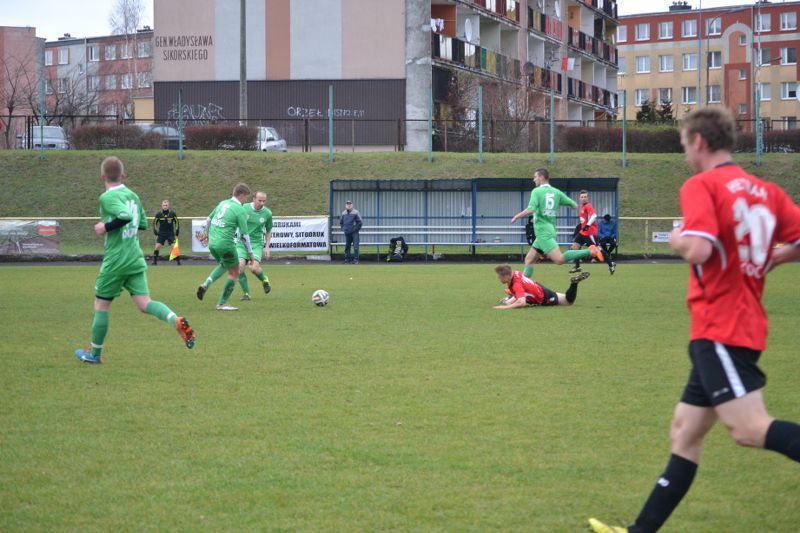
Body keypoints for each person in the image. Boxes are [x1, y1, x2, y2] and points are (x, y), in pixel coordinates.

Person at [589, 108, 800, 533]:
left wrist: (677, 239)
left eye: (684, 143)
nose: (685, 153)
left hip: (722, 329)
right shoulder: (766, 191)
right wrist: (771, 260)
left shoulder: (702, 185)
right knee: (685, 431)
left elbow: (700, 249)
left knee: (748, 429)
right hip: (736, 326)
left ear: (699, 141)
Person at [74, 157, 195, 364]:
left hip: (116, 260)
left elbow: (125, 217)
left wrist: (105, 227)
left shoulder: (107, 197)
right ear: (123, 176)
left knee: (101, 305)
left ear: (102, 177)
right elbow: (142, 224)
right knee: (145, 303)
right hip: (135, 257)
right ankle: (175, 320)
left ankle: (94, 354)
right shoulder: (133, 195)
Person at [511, 168, 605, 278]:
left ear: (541, 177)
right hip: (547, 231)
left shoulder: (536, 191)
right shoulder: (556, 192)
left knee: (559, 259)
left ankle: (590, 251)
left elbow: (531, 209)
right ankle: (524, 284)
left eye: (535, 177)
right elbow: (574, 205)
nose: (534, 179)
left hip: (543, 232)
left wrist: (517, 216)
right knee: (529, 260)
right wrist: (557, 206)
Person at [196, 183, 255, 311]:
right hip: (226, 245)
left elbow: (208, 220)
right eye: (246, 197)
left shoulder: (222, 203)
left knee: (225, 264)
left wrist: (207, 235)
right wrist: (250, 253)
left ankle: (206, 284)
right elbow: (245, 235)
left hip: (212, 244)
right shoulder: (240, 210)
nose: (246, 200)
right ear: (242, 195)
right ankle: (222, 303)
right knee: (235, 272)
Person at [493, 264, 590, 309]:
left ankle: (574, 284)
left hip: (543, 297)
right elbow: (520, 292)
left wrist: (504, 307)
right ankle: (573, 283)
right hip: (539, 288)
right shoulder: (515, 273)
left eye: (499, 276)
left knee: (568, 302)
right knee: (564, 297)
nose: (498, 278)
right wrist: (508, 302)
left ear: (506, 276)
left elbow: (521, 302)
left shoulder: (516, 285)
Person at [236, 191, 273, 301]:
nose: (262, 203)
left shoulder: (267, 213)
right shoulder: (244, 208)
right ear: (253, 199)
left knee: (253, 268)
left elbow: (269, 231)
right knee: (239, 267)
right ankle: (246, 294)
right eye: (260, 200)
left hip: (256, 244)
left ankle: (264, 280)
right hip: (242, 243)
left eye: (264, 201)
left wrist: (267, 247)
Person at [570, 190, 610, 274]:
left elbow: (594, 215)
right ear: (579, 198)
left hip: (589, 233)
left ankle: (611, 263)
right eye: (582, 197)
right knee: (575, 246)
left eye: (585, 197)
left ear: (588, 198)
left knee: (597, 248)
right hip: (583, 232)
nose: (583, 198)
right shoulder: (583, 207)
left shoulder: (588, 206)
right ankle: (577, 267)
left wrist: (587, 225)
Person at [152, 199, 180, 265]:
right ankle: (154, 262)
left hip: (170, 233)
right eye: (164, 205)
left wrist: (177, 231)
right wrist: (155, 231)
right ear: (162, 206)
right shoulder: (158, 214)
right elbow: (154, 223)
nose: (165, 206)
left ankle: (178, 262)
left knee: (174, 247)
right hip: (161, 233)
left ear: (168, 206)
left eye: (166, 205)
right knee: (157, 247)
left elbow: (177, 223)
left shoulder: (172, 213)